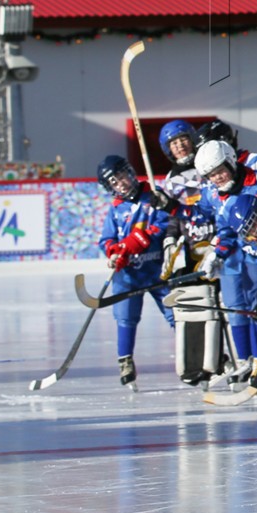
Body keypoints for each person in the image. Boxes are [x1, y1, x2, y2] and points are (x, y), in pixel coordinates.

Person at [192, 140, 257, 389]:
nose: (217, 178)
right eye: (211, 175)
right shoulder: (214, 193)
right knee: (240, 308)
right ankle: (248, 360)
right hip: (240, 257)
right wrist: (216, 254)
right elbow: (226, 229)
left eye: (220, 171)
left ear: (231, 163)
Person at [97, 155, 174, 389]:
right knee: (126, 318)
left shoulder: (153, 197)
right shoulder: (116, 210)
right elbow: (106, 239)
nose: (120, 183)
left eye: (121, 176)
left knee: (177, 314)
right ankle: (125, 361)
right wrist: (113, 252)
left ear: (129, 173)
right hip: (128, 276)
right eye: (113, 182)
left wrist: (133, 242)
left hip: (157, 270)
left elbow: (162, 225)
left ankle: (195, 354)